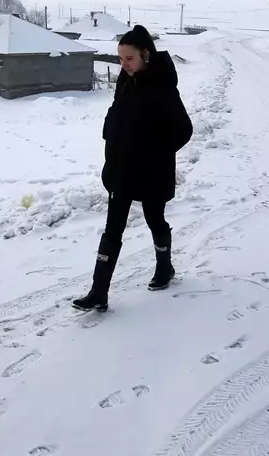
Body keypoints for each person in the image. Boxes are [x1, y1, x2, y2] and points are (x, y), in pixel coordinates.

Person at [73, 25, 194, 312]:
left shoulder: (163, 87)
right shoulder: (126, 81)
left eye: (129, 59)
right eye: (120, 59)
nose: (123, 64)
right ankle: (98, 292)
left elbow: (183, 130)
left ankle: (165, 268)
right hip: (121, 169)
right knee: (112, 228)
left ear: (146, 55)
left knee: (155, 219)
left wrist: (155, 152)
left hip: (151, 172)